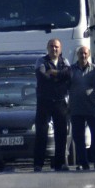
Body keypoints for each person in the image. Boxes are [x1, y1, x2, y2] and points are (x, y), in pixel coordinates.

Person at [69, 45, 95, 171]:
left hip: (92, 108)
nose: (83, 56)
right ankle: (83, 163)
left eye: (85, 53)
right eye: (81, 53)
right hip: (76, 109)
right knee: (78, 137)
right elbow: (66, 87)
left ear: (89, 55)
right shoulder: (71, 70)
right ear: (77, 55)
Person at [34, 38, 71, 172]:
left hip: (60, 101)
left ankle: (60, 163)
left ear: (60, 49)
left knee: (61, 134)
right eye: (51, 46)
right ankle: (38, 164)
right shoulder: (41, 61)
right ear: (47, 48)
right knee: (41, 133)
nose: (54, 49)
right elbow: (42, 77)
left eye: (56, 47)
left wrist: (54, 73)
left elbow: (68, 75)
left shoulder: (64, 61)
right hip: (44, 101)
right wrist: (59, 77)